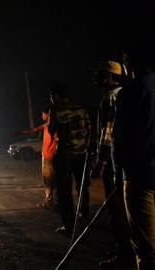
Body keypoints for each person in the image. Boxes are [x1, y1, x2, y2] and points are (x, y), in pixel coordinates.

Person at [112, 36, 155, 270]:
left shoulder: (129, 93)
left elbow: (119, 140)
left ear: (133, 62)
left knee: (146, 247)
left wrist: (118, 176)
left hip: (140, 179)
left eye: (126, 60)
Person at [91, 60, 135, 268]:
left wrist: (101, 160)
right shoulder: (128, 94)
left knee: (115, 208)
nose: (97, 79)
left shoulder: (111, 97)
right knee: (127, 208)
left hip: (114, 161)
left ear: (109, 77)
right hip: (129, 160)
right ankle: (126, 249)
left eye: (100, 75)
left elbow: (108, 132)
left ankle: (124, 254)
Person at [48, 84, 91, 234]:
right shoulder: (81, 107)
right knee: (82, 186)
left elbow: (51, 130)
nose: (51, 99)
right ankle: (84, 217)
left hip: (64, 155)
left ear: (56, 96)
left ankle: (69, 226)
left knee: (64, 191)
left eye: (51, 96)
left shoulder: (55, 109)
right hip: (81, 153)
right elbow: (89, 128)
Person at [16, 107, 57, 208]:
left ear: (48, 114)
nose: (41, 116)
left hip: (48, 156)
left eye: (43, 114)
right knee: (54, 179)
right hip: (55, 156)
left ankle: (49, 201)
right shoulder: (52, 125)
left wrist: (20, 132)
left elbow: (32, 131)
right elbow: (33, 130)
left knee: (47, 180)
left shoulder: (48, 126)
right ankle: (55, 201)